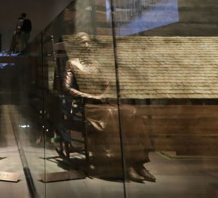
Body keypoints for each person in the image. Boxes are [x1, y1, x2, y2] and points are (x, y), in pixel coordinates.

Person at [63, 32, 154, 183]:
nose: (86, 46)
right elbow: (66, 88)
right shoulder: (72, 63)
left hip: (102, 102)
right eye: (83, 43)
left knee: (132, 112)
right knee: (111, 114)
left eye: (88, 43)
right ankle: (123, 165)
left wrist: (104, 94)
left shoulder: (95, 64)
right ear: (77, 46)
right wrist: (91, 97)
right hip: (87, 104)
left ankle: (138, 162)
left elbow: (107, 83)